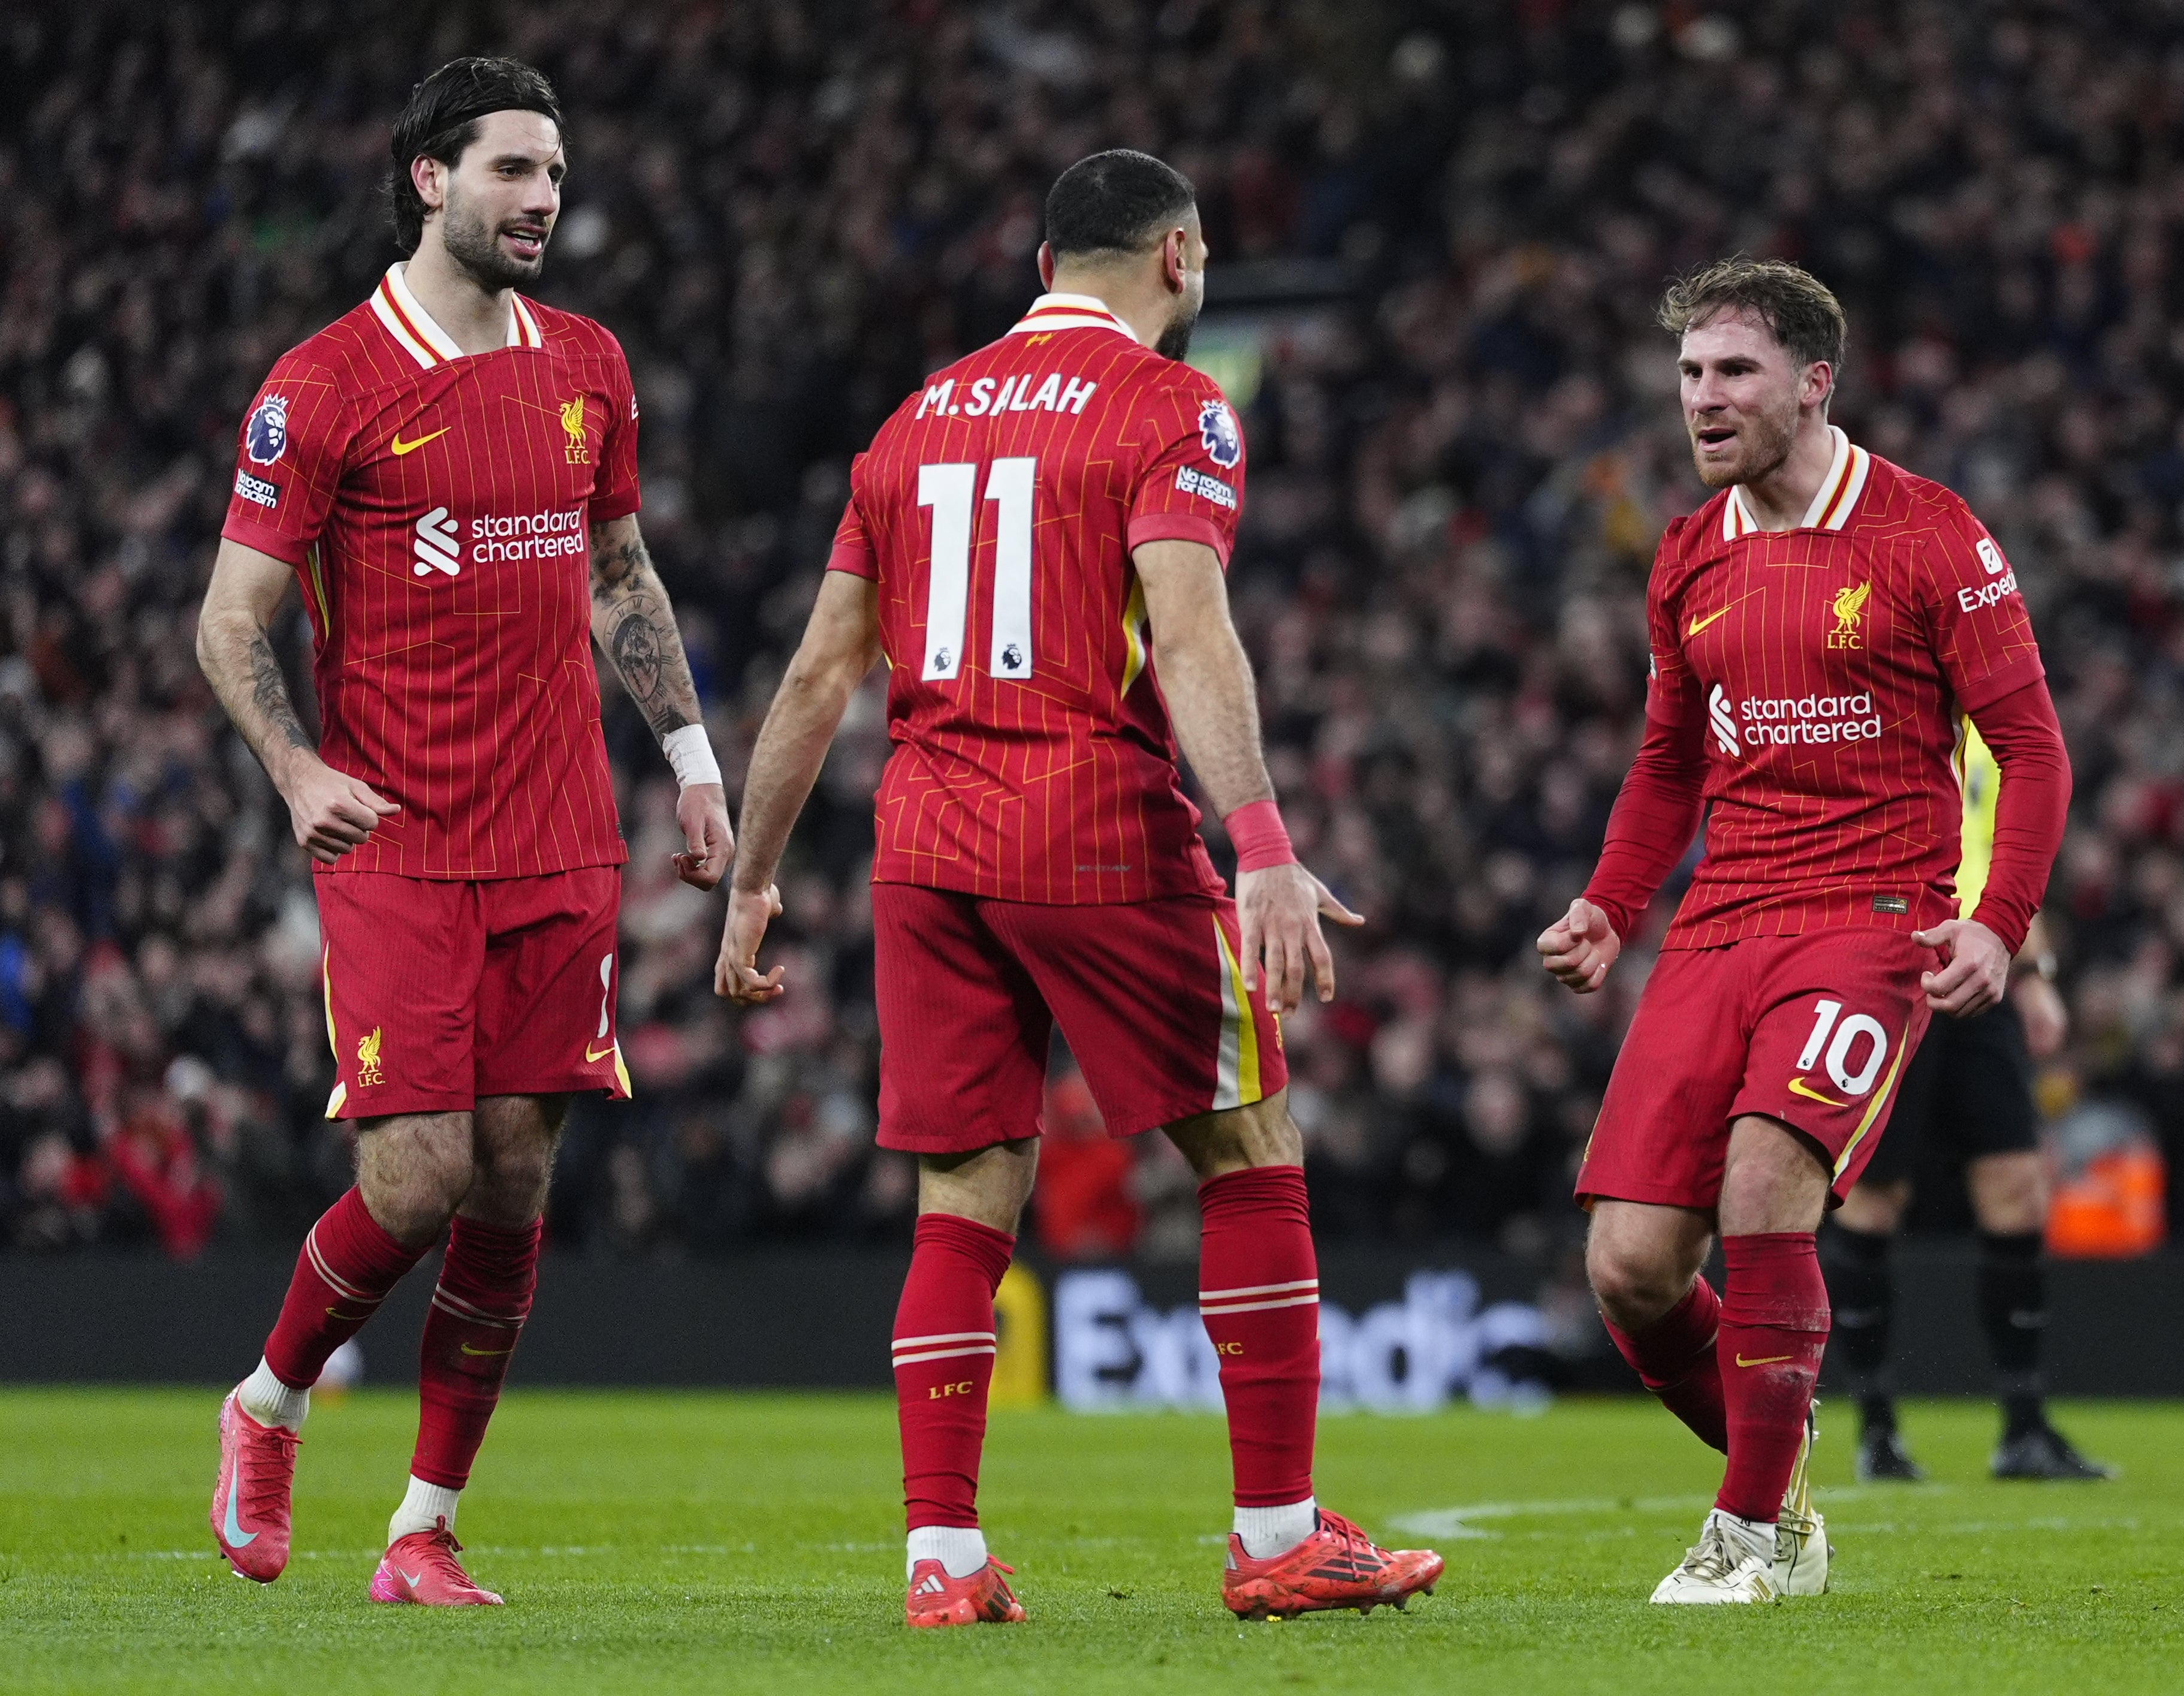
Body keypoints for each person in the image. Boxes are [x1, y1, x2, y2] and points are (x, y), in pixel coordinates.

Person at [716, 149, 1444, 1628]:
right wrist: (1262, 844)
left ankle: (942, 1557)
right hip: (1090, 825)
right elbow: (1189, 632)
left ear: (1045, 266)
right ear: (1178, 256)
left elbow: (817, 671)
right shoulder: (1173, 407)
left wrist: (752, 879)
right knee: (1249, 1143)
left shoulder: (912, 418)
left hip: (924, 842)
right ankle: (1278, 1534)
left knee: (962, 1193)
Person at [196, 57, 731, 1607]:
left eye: (554, 171)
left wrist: (692, 757)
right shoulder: (324, 386)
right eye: (512, 168)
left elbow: (619, 572)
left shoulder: (588, 364)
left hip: (559, 837)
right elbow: (228, 621)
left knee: (511, 1182)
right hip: (397, 837)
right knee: (417, 1176)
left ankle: (422, 1527)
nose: (543, 198)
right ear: (428, 178)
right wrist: (296, 771)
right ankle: (270, 1401)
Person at [1536, 256, 2071, 1604]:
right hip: (1721, 920)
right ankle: (1781, 1461)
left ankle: (1755, 1533)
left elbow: (2032, 749)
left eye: (1735, 371)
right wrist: (1610, 902)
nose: (1702, 398)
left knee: (1763, 1190)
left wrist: (1998, 923)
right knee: (1630, 1267)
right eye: (1689, 373)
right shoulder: (1687, 552)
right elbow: (1670, 760)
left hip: (1872, 916)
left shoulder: (1928, 532)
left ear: (1813, 382)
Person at [1826, 727, 2112, 1482]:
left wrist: (2036, 975)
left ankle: (2023, 1429)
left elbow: (2005, 860)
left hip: (1984, 966)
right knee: (1875, 1198)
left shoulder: (1995, 731)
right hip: (1891, 960)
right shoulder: (1888, 709)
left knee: (2018, 1187)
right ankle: (1875, 1430)